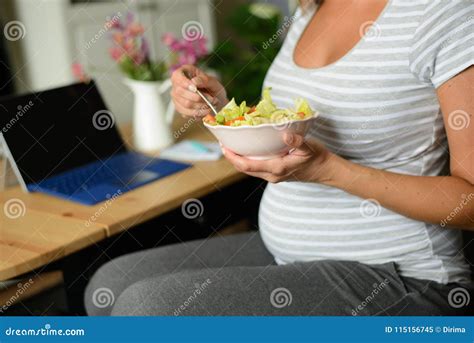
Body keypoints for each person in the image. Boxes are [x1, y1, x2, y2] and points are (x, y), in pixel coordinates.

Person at [86, 0, 473, 316]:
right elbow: (291, 124)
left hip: (405, 277)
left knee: (145, 309)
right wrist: (221, 107)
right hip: (290, 255)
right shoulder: (310, 8)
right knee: (110, 283)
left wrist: (328, 171)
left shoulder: (444, 13)